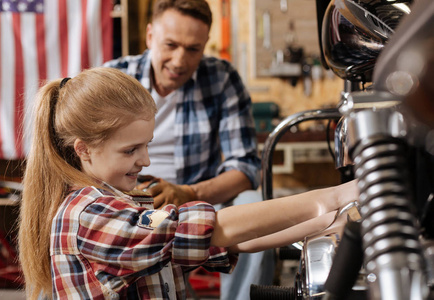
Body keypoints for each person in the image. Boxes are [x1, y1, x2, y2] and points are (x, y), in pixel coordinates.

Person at [18, 67, 358, 299]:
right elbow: (211, 228)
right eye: (131, 149)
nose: (146, 159)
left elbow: (239, 242)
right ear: (84, 149)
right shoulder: (88, 215)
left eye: (147, 145)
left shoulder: (131, 203)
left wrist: (332, 221)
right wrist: (331, 197)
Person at [102, 1, 271, 298]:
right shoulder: (112, 79)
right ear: (150, 35)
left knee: (253, 203)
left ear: (206, 44)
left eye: (193, 49)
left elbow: (245, 170)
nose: (179, 61)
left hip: (197, 200)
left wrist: (189, 193)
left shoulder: (221, 79)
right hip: (123, 200)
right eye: (171, 45)